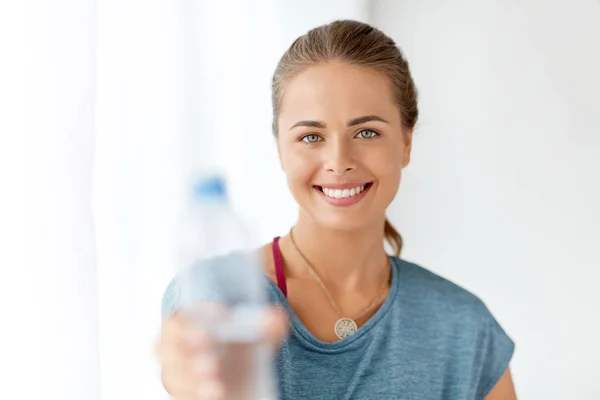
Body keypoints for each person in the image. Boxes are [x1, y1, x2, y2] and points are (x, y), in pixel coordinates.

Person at [156, 19, 517, 400]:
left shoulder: (462, 326)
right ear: (280, 148)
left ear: (406, 142)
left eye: (366, 132)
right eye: (311, 136)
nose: (339, 161)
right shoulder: (218, 301)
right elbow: (190, 371)